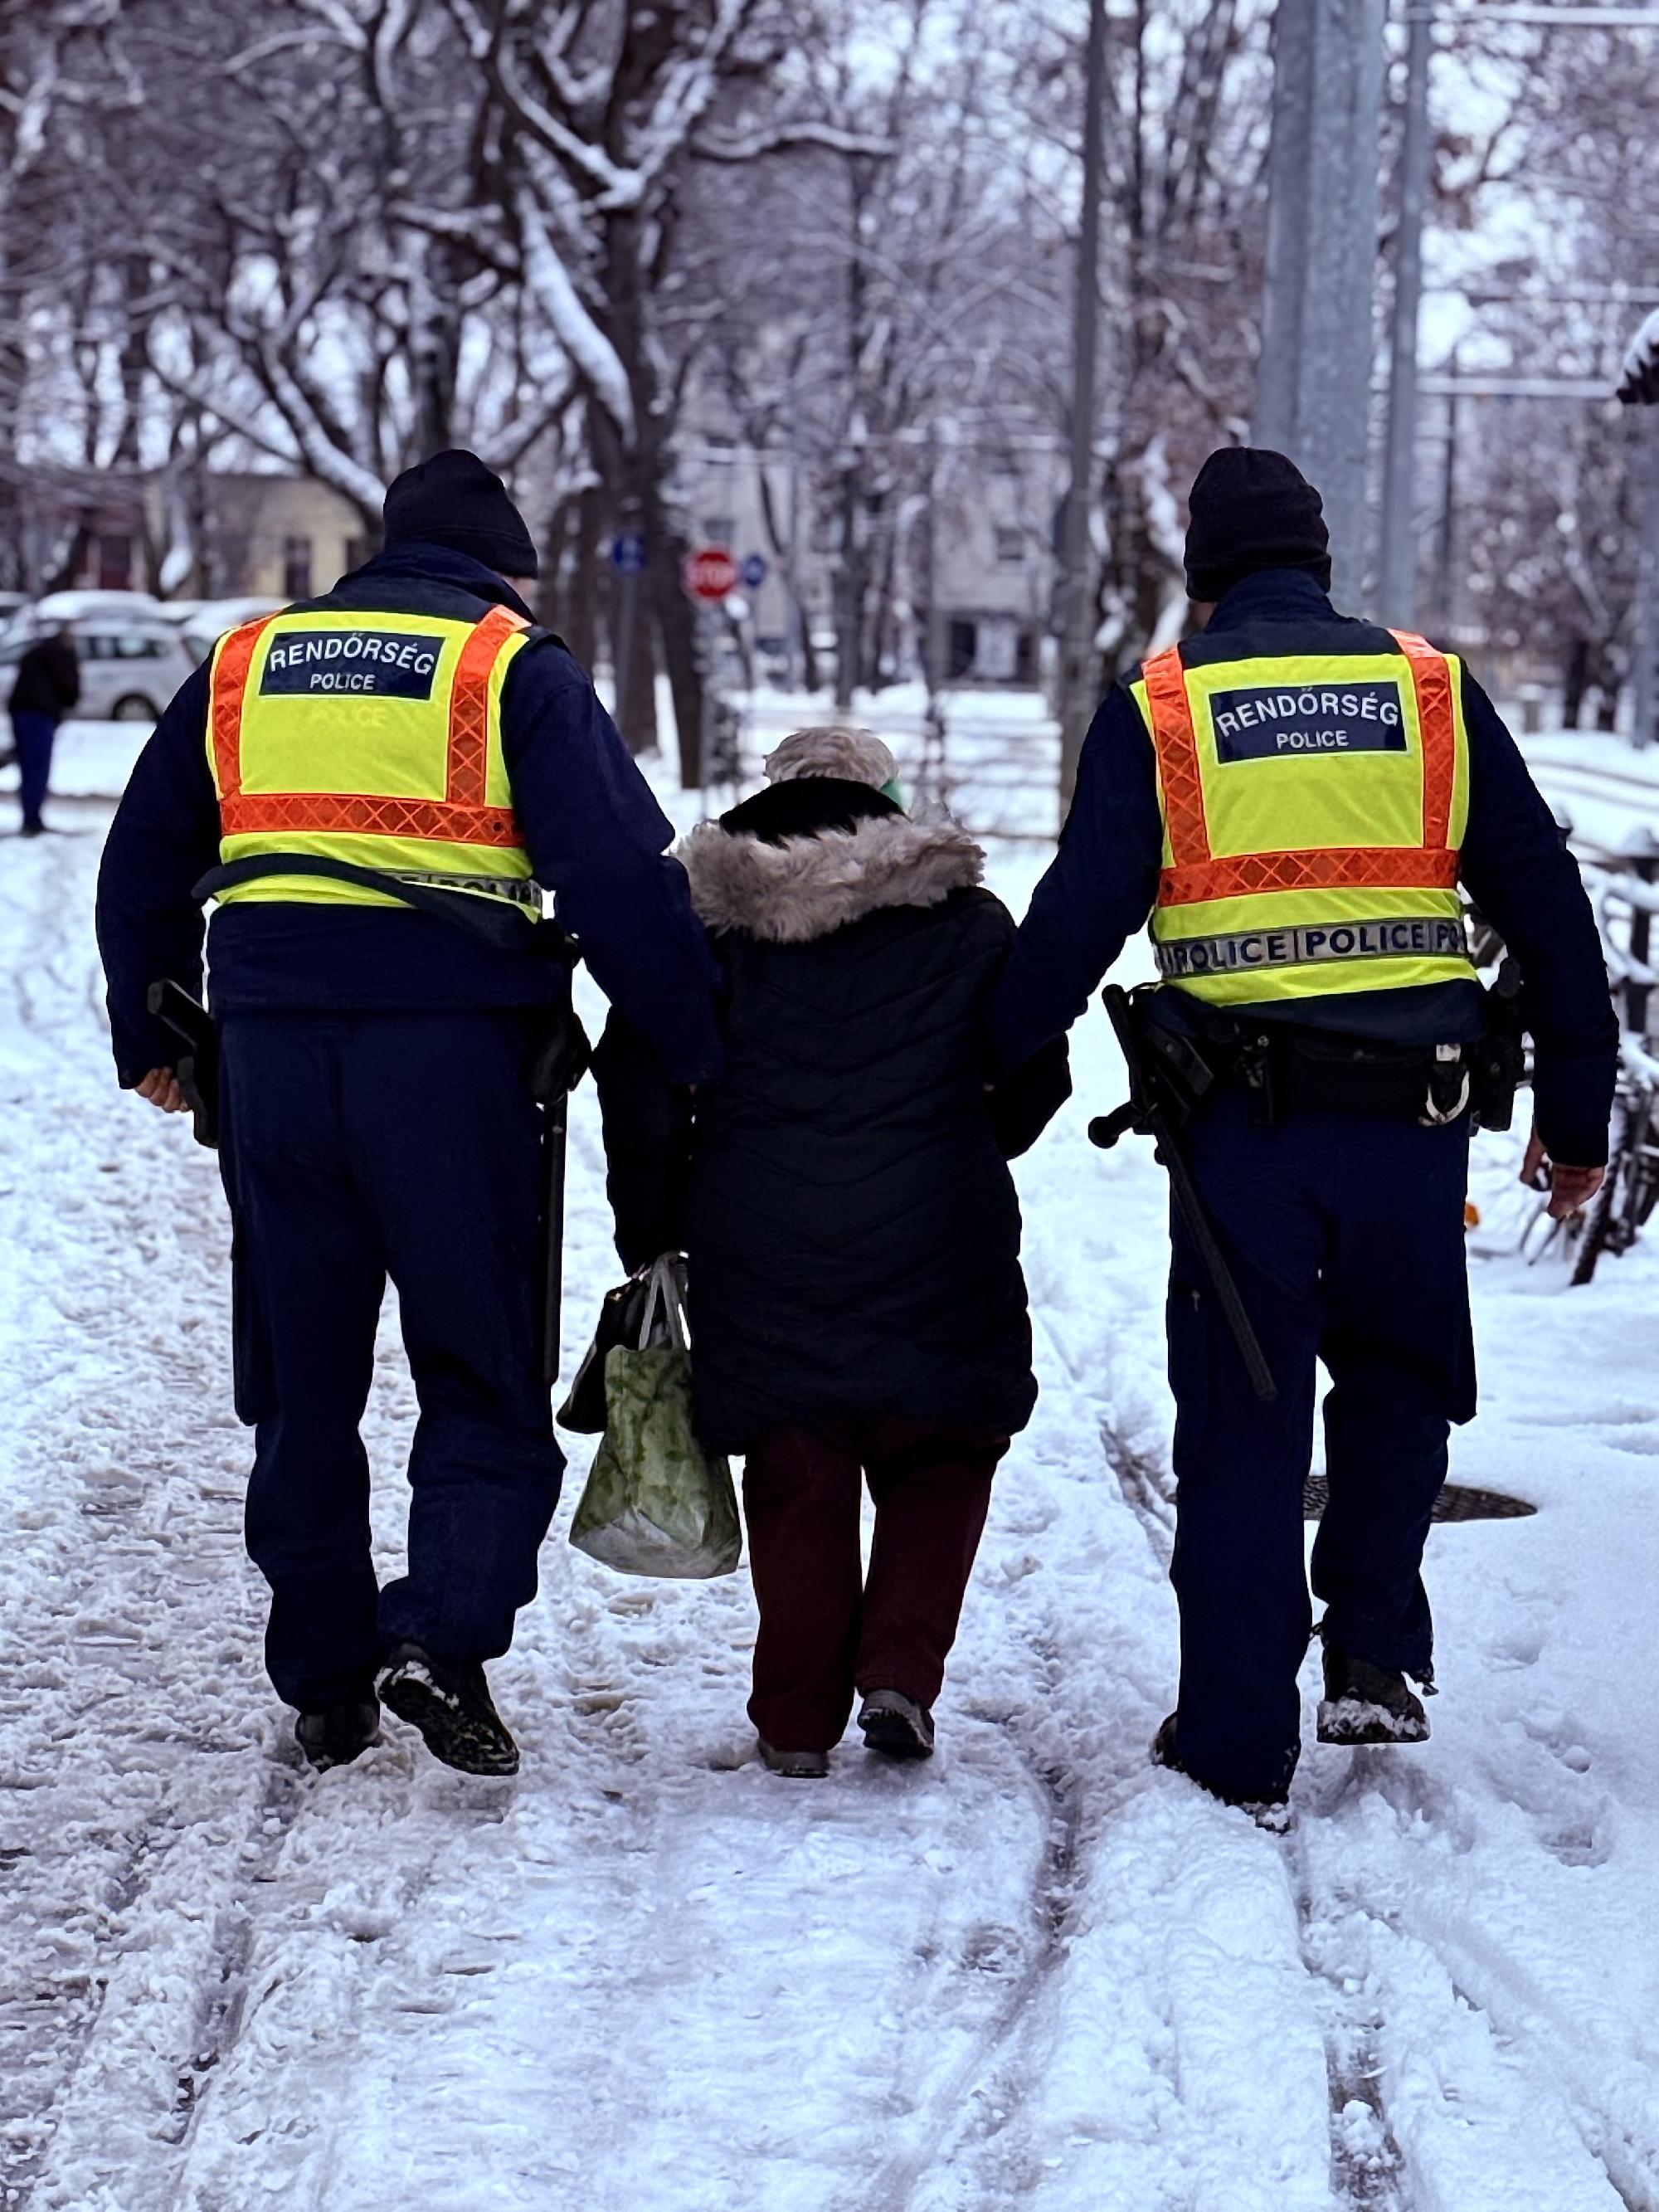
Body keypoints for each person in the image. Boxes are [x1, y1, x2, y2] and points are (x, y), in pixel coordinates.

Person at [995, 446, 1618, 1820]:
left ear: (1202, 581)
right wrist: (1581, 1119)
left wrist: (966, 1077)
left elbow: (1072, 925)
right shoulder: (1434, 696)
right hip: (1414, 1132)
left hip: (1242, 1141)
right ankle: (1378, 1654)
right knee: (1399, 1380)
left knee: (1243, 1423)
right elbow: (1553, 913)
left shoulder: (1165, 708)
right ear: (1323, 567)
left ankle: (1233, 1735)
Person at [95, 450, 721, 1778]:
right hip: (454, 1065)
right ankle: (441, 1633)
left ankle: (325, 1673)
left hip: (270, 1060)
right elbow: (620, 879)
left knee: (302, 1370)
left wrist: (153, 1030)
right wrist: (695, 1040)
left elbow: (142, 858)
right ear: (505, 568)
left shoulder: (245, 663)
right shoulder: (511, 666)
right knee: (477, 1356)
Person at [596, 727, 1068, 1776]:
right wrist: (966, 1136)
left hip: (758, 1229)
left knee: (796, 1460)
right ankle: (899, 1669)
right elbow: (1035, 1070)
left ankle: (796, 1722)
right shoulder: (965, 915)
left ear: (777, 791)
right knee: (941, 1445)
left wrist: (654, 1224)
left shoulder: (703, 924)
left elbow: (632, 1072)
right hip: (939, 1221)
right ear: (881, 798)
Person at [8, 622, 80, 836]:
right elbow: (69, 686)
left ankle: (31, 816)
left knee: (29, 765)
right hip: (40, 714)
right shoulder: (61, 656)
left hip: (22, 711)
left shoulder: (36, 653)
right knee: (37, 767)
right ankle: (32, 819)